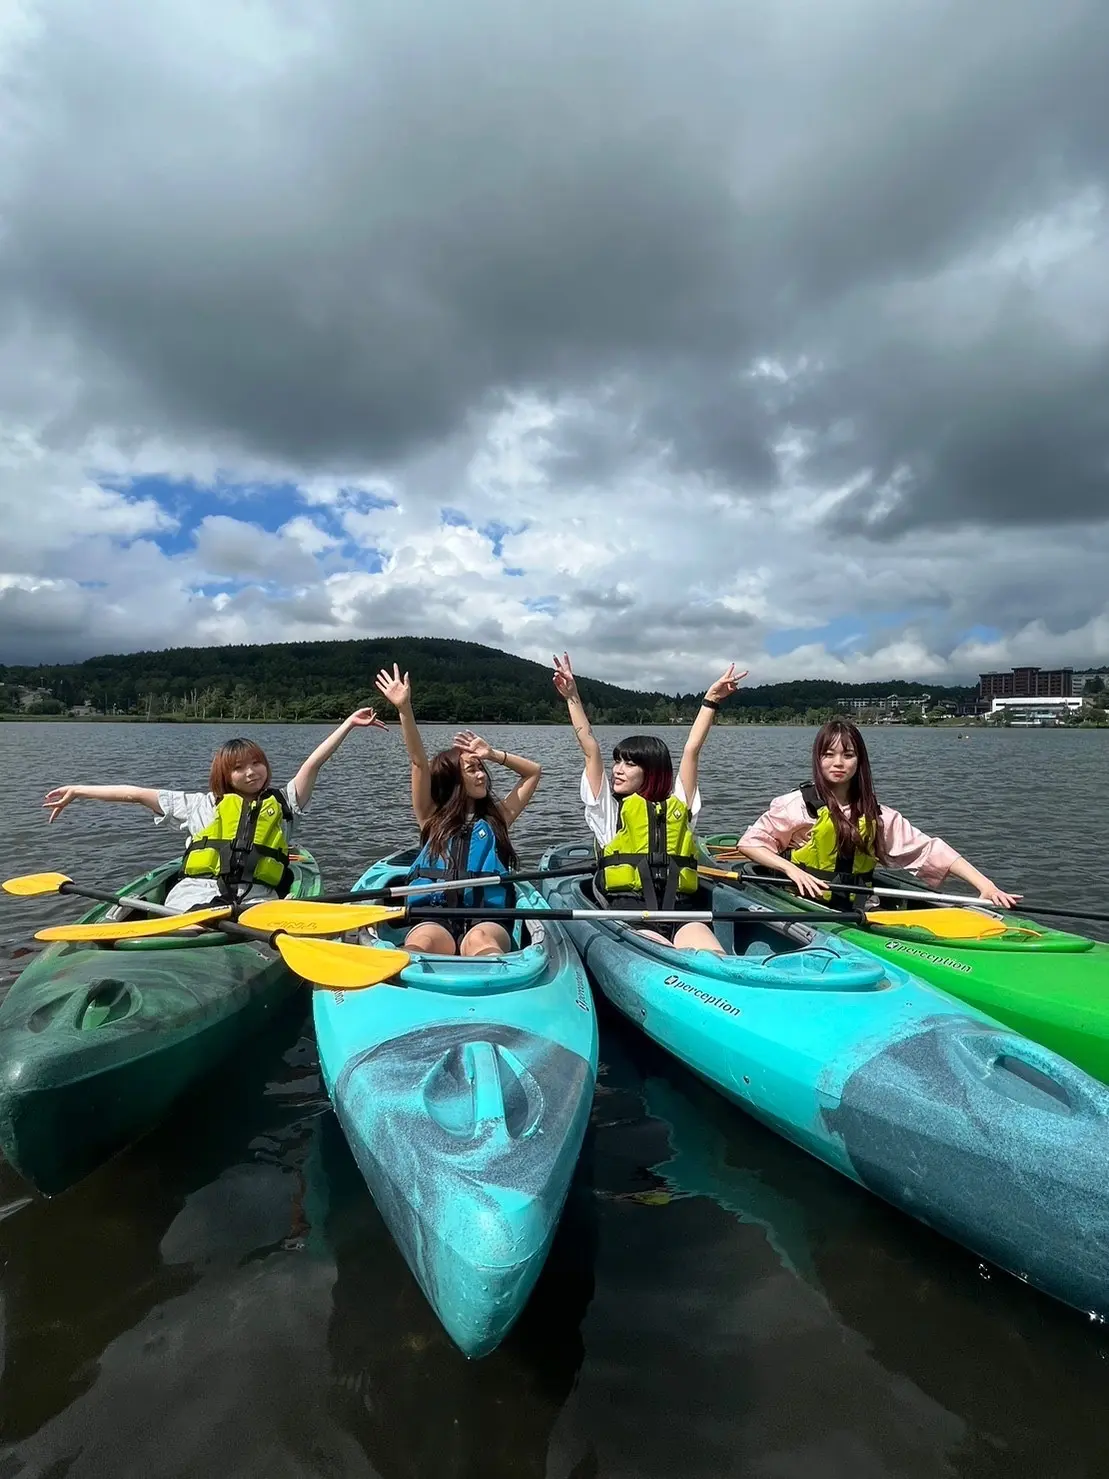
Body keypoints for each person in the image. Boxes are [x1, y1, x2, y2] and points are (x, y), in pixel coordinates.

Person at [42, 708, 385, 910]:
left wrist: (348, 725)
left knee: (236, 925)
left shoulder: (284, 802)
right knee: (188, 928)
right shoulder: (198, 806)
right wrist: (78, 791)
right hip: (192, 897)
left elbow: (314, 763)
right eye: (239, 768)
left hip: (257, 901)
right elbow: (134, 794)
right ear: (225, 774)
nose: (251, 772)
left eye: (256, 763)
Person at [552, 652, 745, 951]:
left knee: (713, 956)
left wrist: (711, 701)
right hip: (630, 914)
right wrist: (572, 696)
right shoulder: (608, 810)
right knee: (660, 951)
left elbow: (692, 749)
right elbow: (589, 747)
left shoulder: (679, 807)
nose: (617, 769)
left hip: (682, 913)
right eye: (617, 762)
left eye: (629, 764)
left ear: (652, 770)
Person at [735, 716, 1020, 907]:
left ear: (859, 762)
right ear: (818, 760)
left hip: (861, 909)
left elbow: (929, 850)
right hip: (805, 903)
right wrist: (790, 871)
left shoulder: (877, 815)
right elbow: (750, 843)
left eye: (848, 755)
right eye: (829, 755)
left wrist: (986, 885)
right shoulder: (795, 805)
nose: (838, 763)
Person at [373, 663, 541, 956]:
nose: (481, 776)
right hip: (433, 915)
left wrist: (493, 754)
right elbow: (418, 763)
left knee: (481, 942)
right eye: (472, 769)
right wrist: (404, 708)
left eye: (481, 769)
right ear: (452, 778)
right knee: (422, 943)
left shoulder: (497, 817)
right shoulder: (430, 817)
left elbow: (533, 773)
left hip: (486, 918)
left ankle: (493, 980)